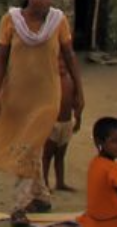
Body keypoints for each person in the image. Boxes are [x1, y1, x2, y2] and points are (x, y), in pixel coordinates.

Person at [0, 0, 84, 226]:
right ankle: (42, 197)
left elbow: (70, 56)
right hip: (18, 95)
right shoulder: (11, 21)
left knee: (29, 147)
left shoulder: (58, 21)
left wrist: (79, 92)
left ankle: (19, 208)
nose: (44, 1)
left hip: (47, 97)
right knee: (32, 147)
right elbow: (1, 60)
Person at [42, 55, 80, 193]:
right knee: (47, 155)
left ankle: (60, 182)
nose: (61, 67)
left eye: (64, 65)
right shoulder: (50, 82)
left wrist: (78, 118)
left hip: (67, 122)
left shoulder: (71, 81)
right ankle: (44, 182)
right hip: (53, 123)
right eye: (59, 65)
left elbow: (76, 101)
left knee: (60, 155)